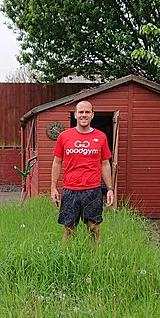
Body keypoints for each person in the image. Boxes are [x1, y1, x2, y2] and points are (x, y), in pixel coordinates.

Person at [51, 100, 114, 244]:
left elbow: (105, 164)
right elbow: (57, 162)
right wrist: (53, 187)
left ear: (92, 115)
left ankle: (95, 262)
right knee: (69, 229)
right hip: (70, 190)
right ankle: (67, 261)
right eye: (80, 112)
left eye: (87, 112)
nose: (83, 115)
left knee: (94, 229)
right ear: (75, 115)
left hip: (92, 190)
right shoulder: (64, 136)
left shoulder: (101, 137)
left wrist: (110, 189)